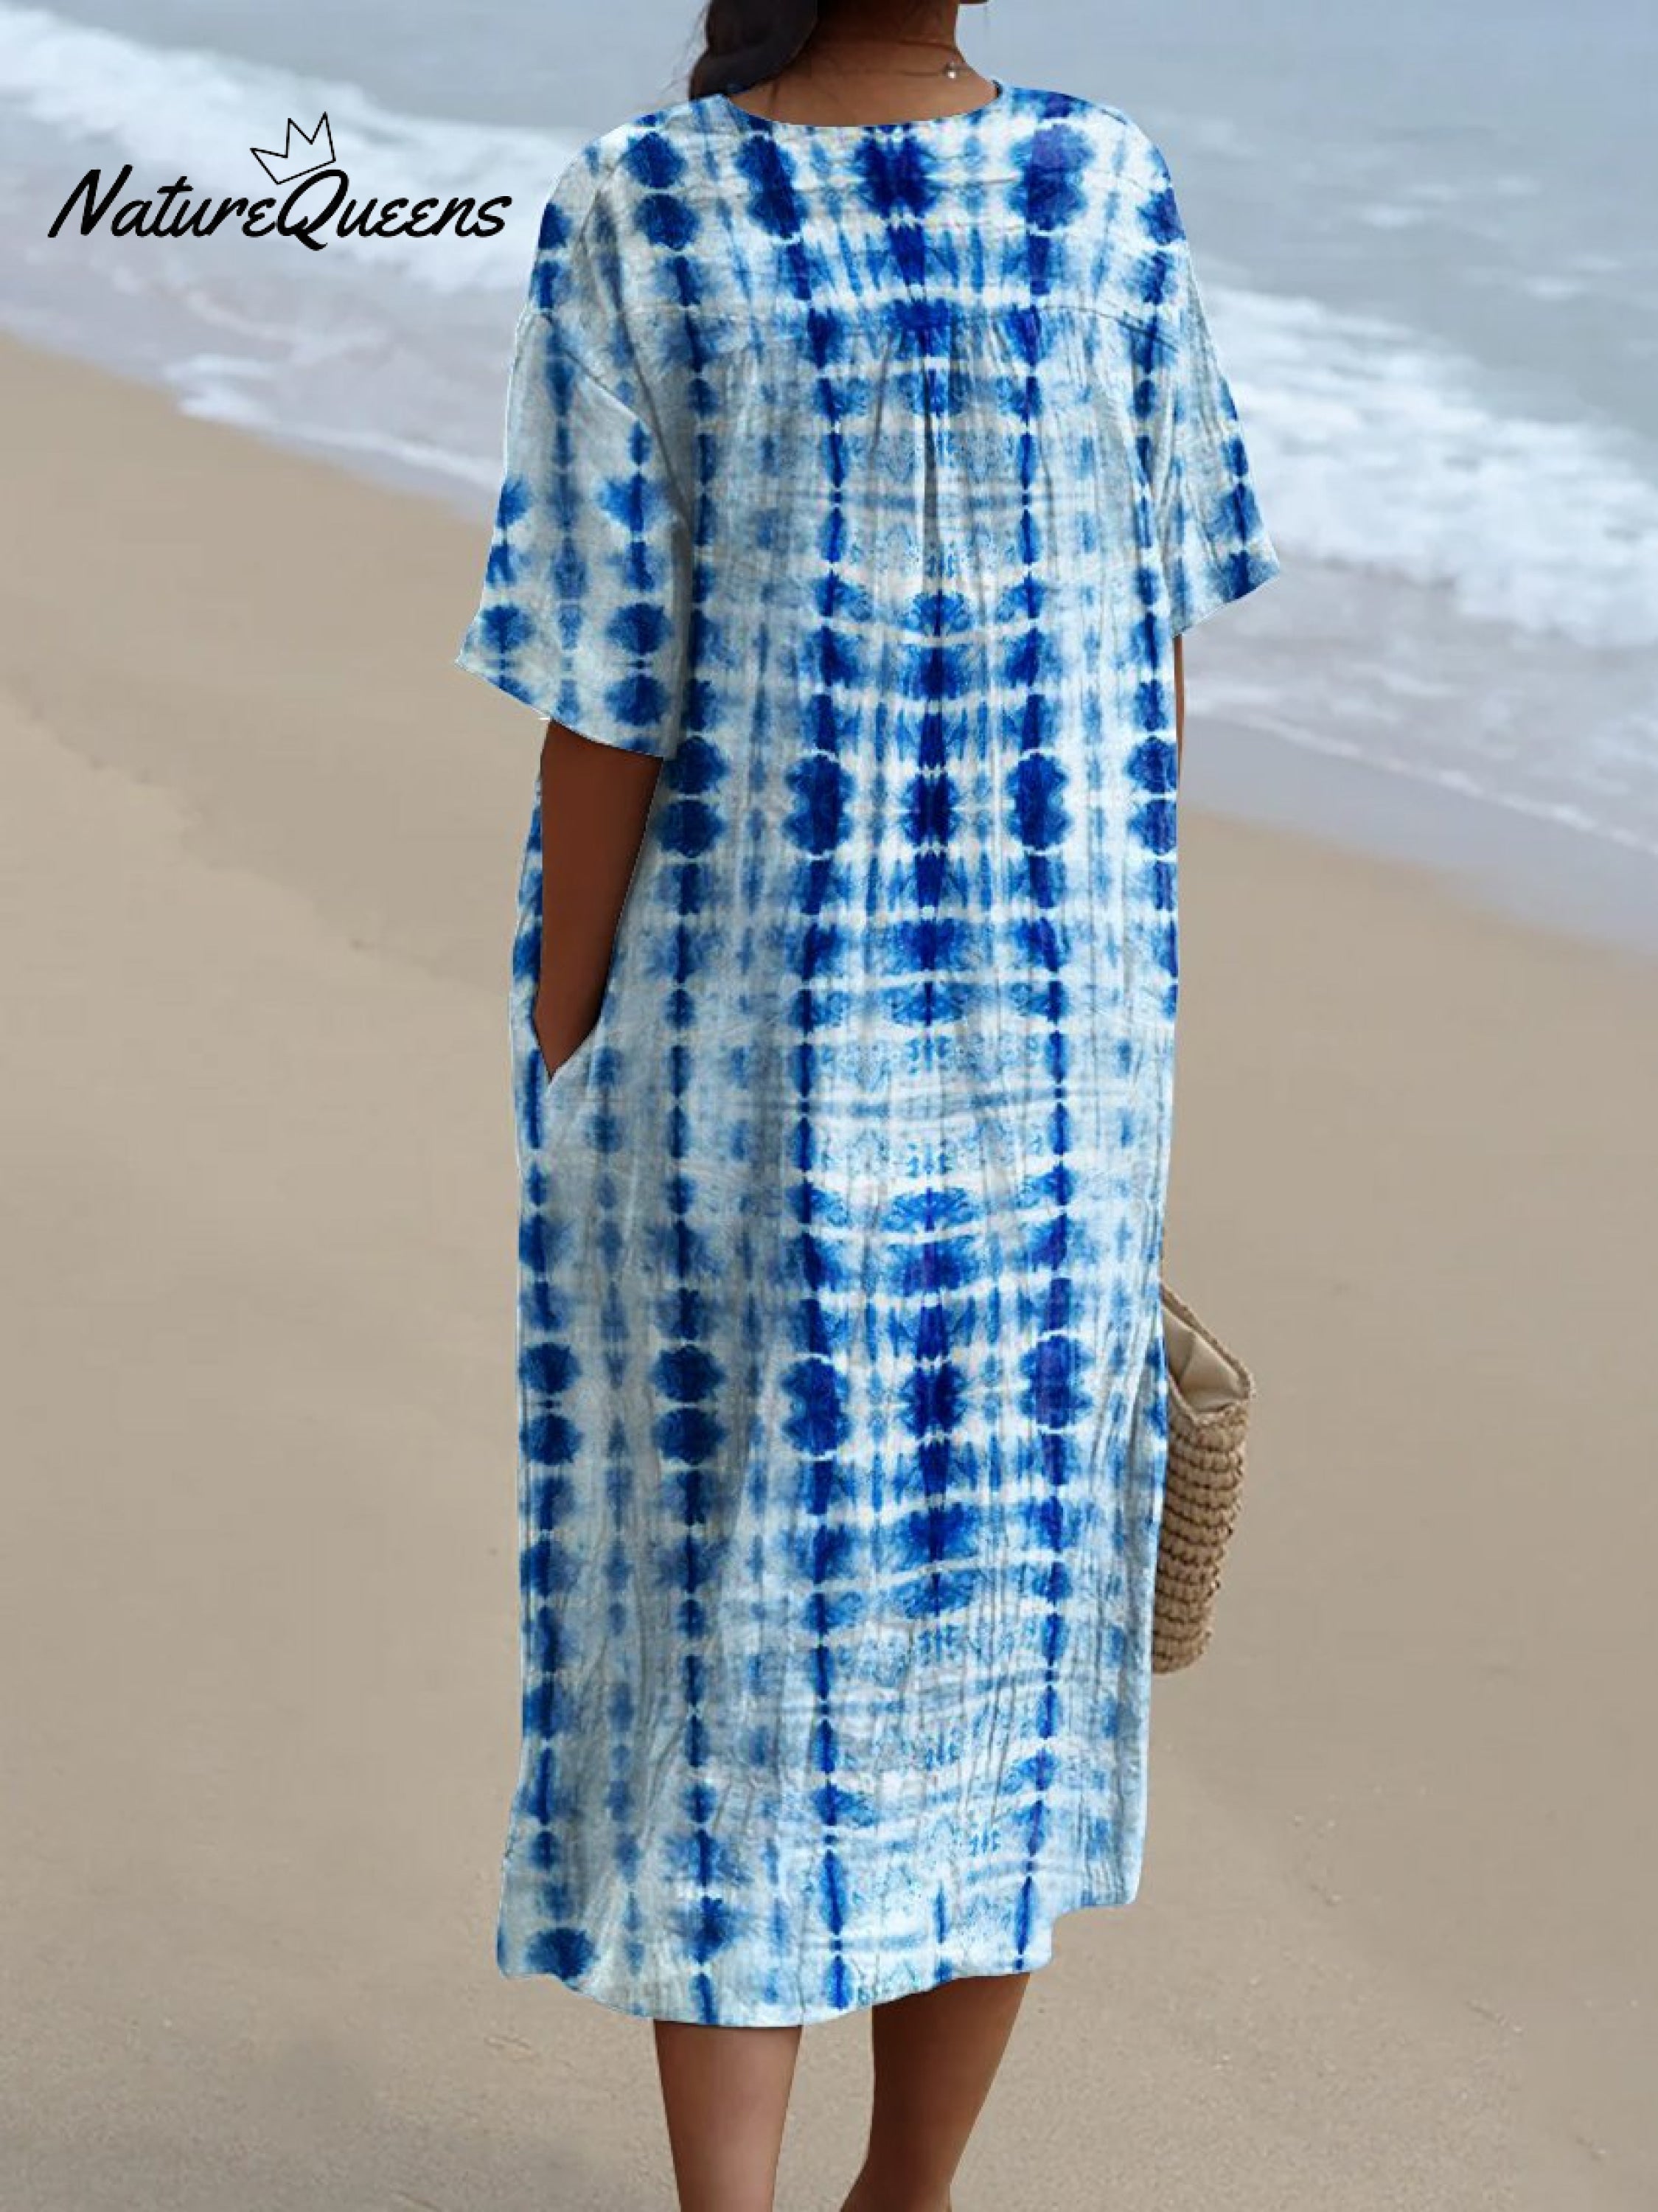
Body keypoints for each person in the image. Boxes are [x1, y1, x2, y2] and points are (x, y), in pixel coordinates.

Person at [453, 1, 1282, 2205]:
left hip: (777, 1043)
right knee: (981, 1633)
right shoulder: (1072, 185)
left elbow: (603, 678)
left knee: (762, 1624)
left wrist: (568, 1043)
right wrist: (1107, 993)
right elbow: (1148, 653)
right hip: (1005, 1045)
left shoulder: (673, 195)